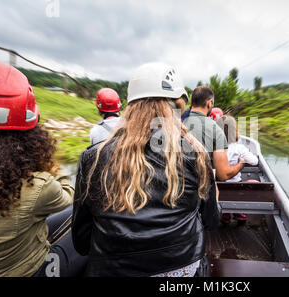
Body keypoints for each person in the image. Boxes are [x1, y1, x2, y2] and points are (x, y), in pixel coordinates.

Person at [72, 62, 220, 277]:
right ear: (176, 108)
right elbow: (211, 221)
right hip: (181, 267)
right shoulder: (195, 154)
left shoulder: (92, 157)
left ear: (130, 107)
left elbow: (82, 242)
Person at [0, 58, 87, 277]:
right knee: (88, 227)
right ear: (30, 134)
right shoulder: (38, 186)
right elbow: (69, 194)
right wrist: (48, 164)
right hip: (30, 271)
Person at [183, 86, 244, 181]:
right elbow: (223, 174)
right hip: (201, 189)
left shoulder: (177, 123)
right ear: (209, 103)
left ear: (192, 103)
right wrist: (241, 164)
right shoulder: (216, 130)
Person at [216, 115, 259, 224]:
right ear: (234, 131)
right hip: (235, 186)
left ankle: (225, 215)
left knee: (221, 188)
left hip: (218, 187)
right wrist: (242, 161)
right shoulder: (239, 148)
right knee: (239, 186)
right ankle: (238, 212)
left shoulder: (214, 147)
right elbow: (255, 161)